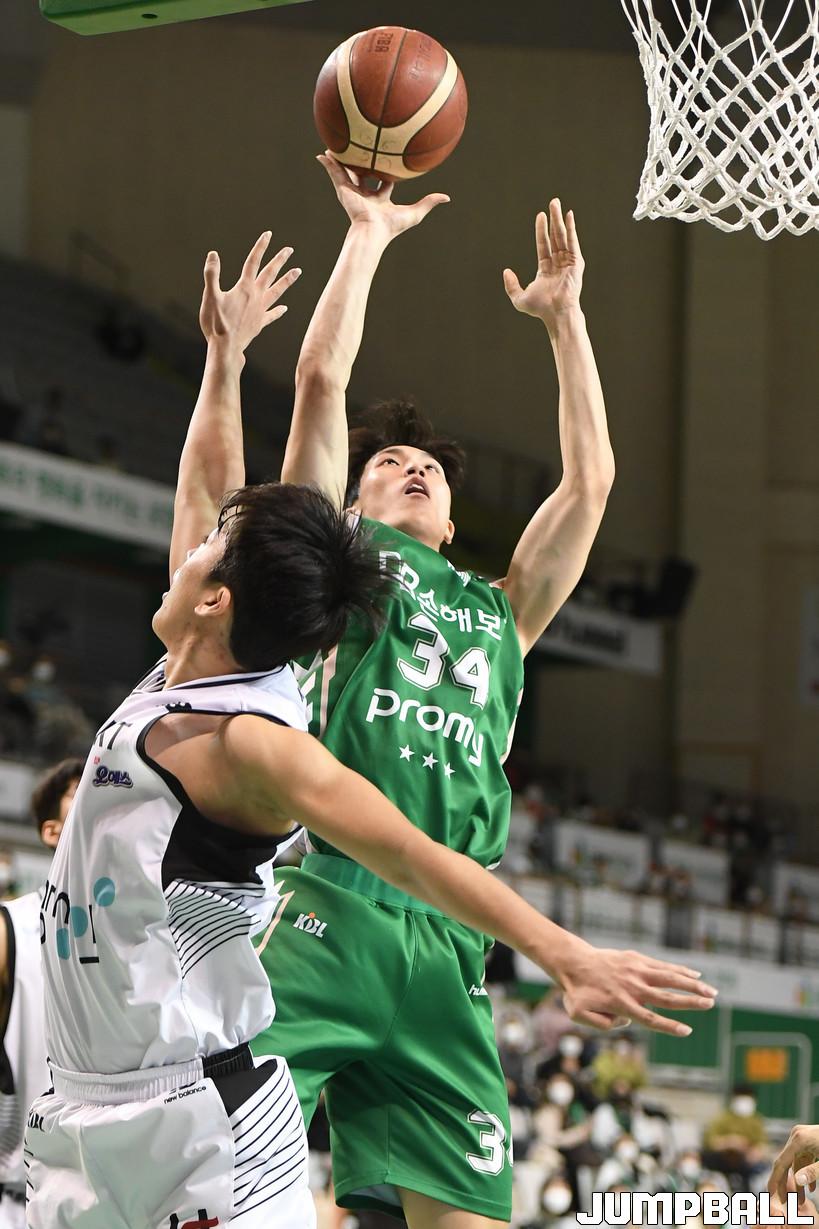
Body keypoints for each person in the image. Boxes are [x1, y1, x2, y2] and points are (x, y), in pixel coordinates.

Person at [172, 214, 717, 1229]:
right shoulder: (333, 574)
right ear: (352, 500)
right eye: (389, 462)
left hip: (454, 946)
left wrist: (566, 319)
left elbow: (591, 482)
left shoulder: (505, 610)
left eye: (431, 468)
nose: (415, 467)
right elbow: (322, 383)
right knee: (198, 1183)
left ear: (455, 521)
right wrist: (367, 233)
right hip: (332, 906)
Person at [0, 757, 82, 1228]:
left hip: (111, 1204)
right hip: (18, 1201)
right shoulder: (10, 927)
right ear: (53, 832)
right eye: (81, 792)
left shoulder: (151, 934)